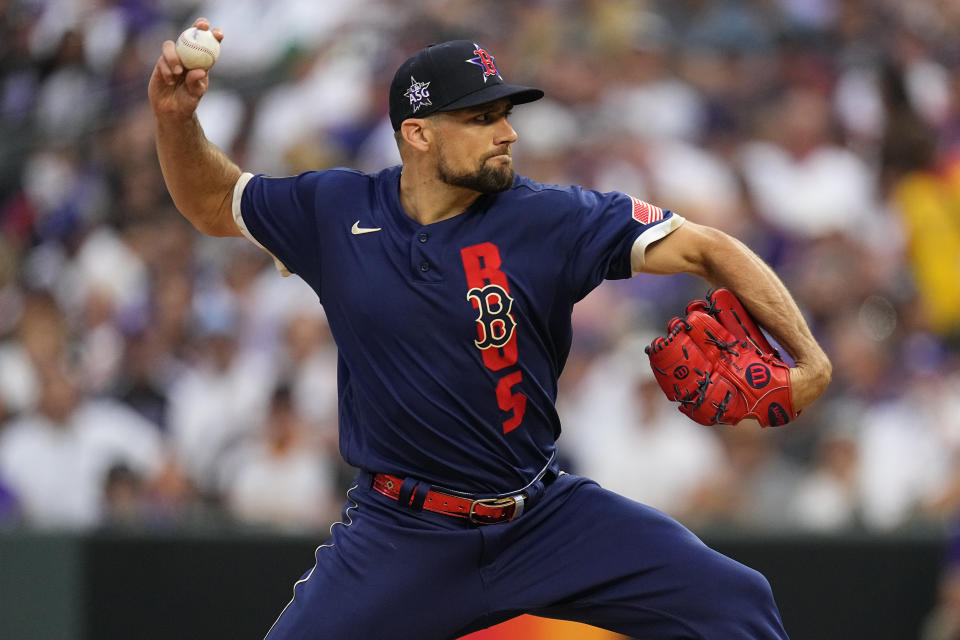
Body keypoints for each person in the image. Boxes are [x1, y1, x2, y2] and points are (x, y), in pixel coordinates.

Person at [149, 18, 832, 640]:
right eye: (481, 117)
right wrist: (175, 120)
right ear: (418, 133)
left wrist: (808, 359)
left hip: (542, 519)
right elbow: (212, 201)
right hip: (402, 534)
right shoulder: (335, 211)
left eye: (505, 113)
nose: (507, 132)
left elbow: (707, 247)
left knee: (735, 603)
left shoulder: (549, 220)